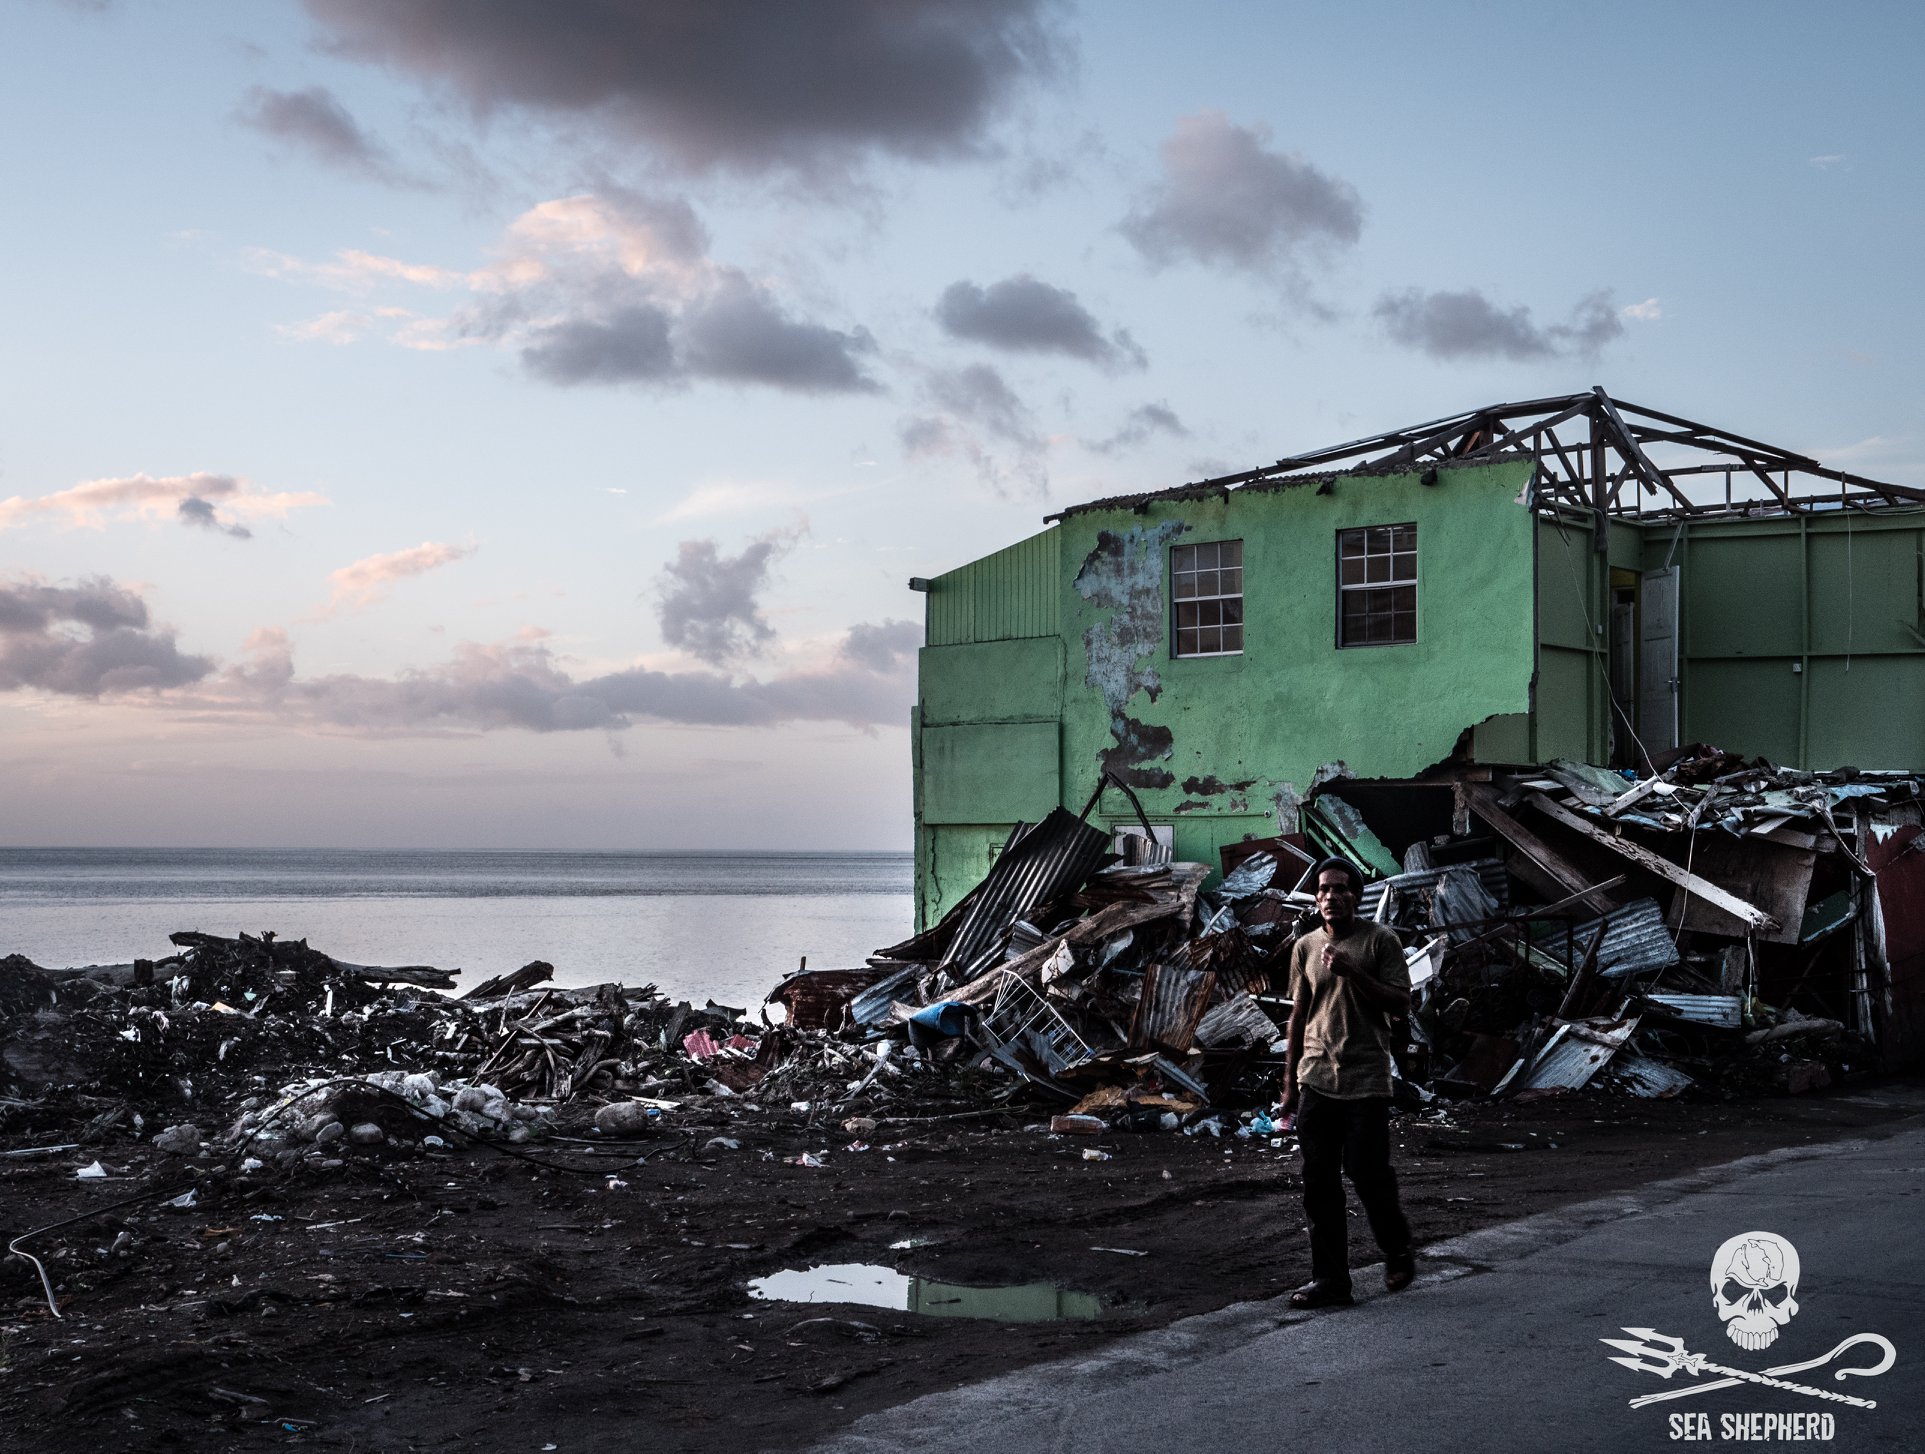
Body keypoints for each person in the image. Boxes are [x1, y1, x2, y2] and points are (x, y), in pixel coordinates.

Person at [1278, 856, 1415, 1308]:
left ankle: (1396, 1250)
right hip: (1316, 1078)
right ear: (1315, 899)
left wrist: (1353, 971)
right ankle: (1332, 1283)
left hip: (1365, 1080)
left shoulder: (1380, 941)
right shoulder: (1304, 947)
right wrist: (1289, 1088)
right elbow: (1298, 1017)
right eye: (1323, 889)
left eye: (1340, 888)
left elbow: (1401, 1005)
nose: (1330, 896)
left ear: (1356, 895)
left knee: (1367, 1173)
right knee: (1318, 1184)